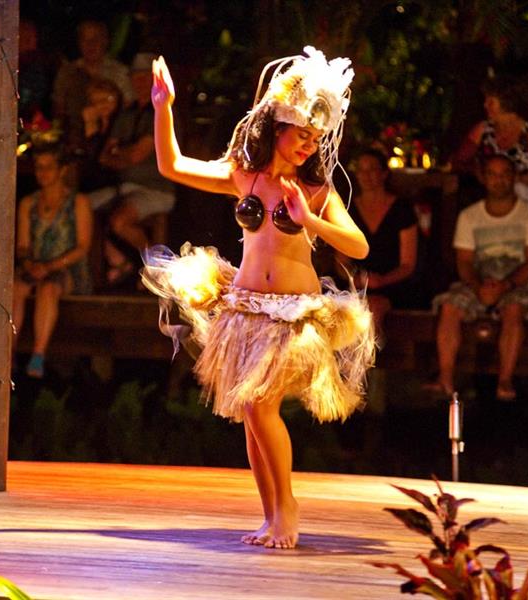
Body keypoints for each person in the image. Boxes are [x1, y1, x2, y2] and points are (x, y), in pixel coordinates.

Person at [142, 48, 374, 550]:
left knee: (262, 408)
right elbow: (172, 165)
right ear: (276, 128)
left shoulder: (316, 190)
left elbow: (358, 245)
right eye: (301, 137)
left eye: (316, 141)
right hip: (246, 306)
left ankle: (287, 505)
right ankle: (270, 515)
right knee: (251, 414)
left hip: (292, 314)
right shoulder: (242, 175)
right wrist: (164, 108)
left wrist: (309, 219)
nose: (307, 149)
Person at [428, 155, 528, 400]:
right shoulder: (469, 216)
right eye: (493, 174)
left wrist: (506, 285)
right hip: (478, 282)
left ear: (514, 177)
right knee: (450, 306)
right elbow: (463, 260)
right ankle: (445, 378)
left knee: (514, 308)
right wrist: (478, 286)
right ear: (484, 179)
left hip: (518, 283)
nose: (499, 180)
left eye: (505, 174)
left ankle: (504, 379)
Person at [88, 52, 175, 286]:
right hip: (123, 187)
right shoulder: (126, 114)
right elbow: (105, 156)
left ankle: (154, 269)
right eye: (136, 77)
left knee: (119, 221)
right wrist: (122, 155)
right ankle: (116, 260)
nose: (140, 82)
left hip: (154, 189)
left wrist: (121, 154)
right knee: (80, 207)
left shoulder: (160, 114)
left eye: (145, 77)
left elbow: (137, 155)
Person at [12, 145, 92, 379]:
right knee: (16, 288)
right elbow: (23, 244)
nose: (43, 173)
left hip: (67, 269)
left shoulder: (78, 202)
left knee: (49, 288)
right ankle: (8, 354)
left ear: (62, 170)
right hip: (35, 266)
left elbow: (82, 247)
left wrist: (49, 266)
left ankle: (38, 354)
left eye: (49, 167)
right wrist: (28, 264)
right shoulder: (28, 203)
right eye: (39, 167)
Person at [339, 148, 422, 335]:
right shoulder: (348, 209)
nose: (366, 176)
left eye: (372, 170)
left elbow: (408, 264)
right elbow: (340, 261)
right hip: (357, 283)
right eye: (361, 170)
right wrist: (356, 279)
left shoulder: (401, 209)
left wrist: (381, 281)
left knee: (373, 306)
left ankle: (369, 360)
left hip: (394, 283)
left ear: (384, 173)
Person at [454, 76, 528, 223]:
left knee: (513, 192)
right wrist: (478, 172)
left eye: (491, 101)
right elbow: (459, 160)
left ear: (507, 103)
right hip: (492, 196)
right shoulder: (483, 130)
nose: (485, 105)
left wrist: (511, 180)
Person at [52, 20, 133, 148]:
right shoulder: (67, 73)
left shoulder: (120, 73)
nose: (91, 44)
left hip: (110, 143)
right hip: (74, 142)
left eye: (96, 38)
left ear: (105, 41)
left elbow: (129, 109)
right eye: (85, 39)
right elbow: (58, 108)